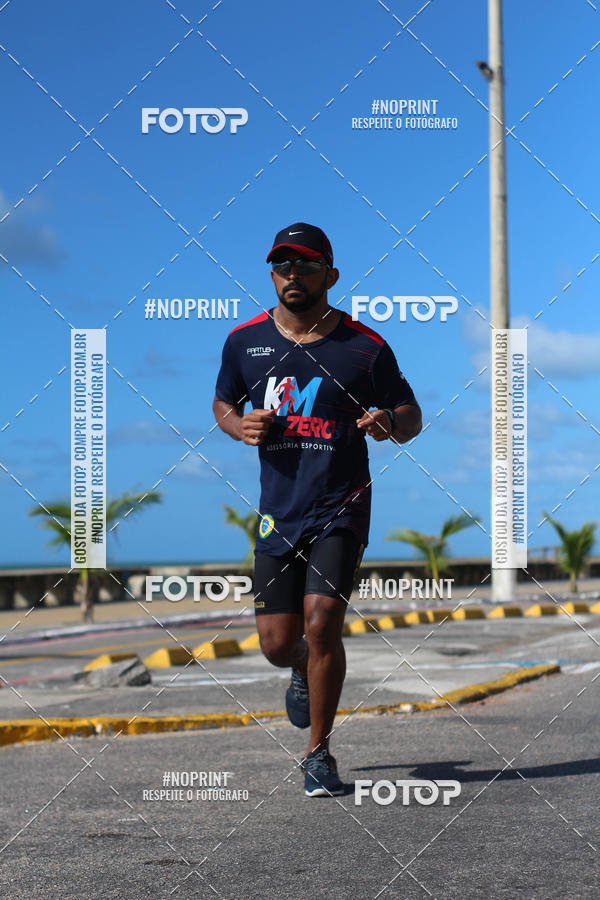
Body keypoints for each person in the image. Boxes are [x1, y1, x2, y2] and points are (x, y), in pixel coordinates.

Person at [213, 223, 421, 796]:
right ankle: (301, 667)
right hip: (278, 514)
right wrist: (237, 425)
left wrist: (388, 423)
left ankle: (319, 752)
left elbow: (410, 414)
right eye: (281, 266)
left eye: (304, 266)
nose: (291, 276)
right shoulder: (244, 342)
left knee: (324, 622)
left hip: (341, 506)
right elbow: (223, 400)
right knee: (279, 644)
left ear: (330, 275)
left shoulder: (364, 346)